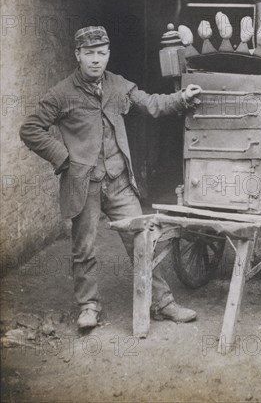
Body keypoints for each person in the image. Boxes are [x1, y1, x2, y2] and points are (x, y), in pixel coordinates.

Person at [20, 26, 202, 330]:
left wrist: (182, 98)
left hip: (118, 182)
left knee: (141, 241)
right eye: (89, 54)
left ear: (108, 54)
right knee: (84, 248)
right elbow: (30, 129)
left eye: (101, 53)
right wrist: (64, 157)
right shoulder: (61, 93)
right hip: (83, 185)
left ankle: (163, 303)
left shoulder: (118, 85)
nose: (95, 60)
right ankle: (88, 306)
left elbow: (151, 104)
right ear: (77, 55)